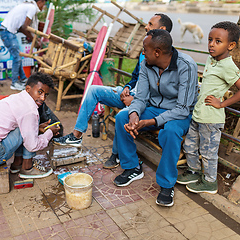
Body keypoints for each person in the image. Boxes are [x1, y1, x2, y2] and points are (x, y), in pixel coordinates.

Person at [52, 13, 173, 168]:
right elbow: (135, 76)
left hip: (144, 103)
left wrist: (135, 102)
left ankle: (116, 155)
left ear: (162, 29)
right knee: (94, 90)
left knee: (124, 115)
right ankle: (76, 135)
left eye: (150, 24)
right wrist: (127, 87)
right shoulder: (146, 48)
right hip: (131, 94)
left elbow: (160, 94)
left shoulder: (164, 56)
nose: (146, 26)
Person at [115, 29, 199, 207]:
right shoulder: (146, 64)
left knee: (170, 131)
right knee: (122, 117)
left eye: (145, 48)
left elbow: (183, 108)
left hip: (179, 113)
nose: (142, 52)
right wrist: (134, 115)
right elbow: (141, 98)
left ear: (157, 52)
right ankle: (132, 167)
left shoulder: (186, 65)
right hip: (154, 108)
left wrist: (151, 122)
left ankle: (166, 184)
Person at [177, 22, 240, 194]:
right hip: (198, 115)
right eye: (210, 40)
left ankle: (209, 182)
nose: (211, 44)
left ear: (231, 45)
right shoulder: (212, 59)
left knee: (208, 153)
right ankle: (193, 172)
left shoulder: (228, 66)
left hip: (211, 119)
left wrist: (222, 104)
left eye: (218, 41)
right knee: (190, 146)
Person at [0, 72, 61, 179]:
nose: (43, 98)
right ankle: (27, 168)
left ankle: (17, 164)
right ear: (28, 89)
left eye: (46, 94)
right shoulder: (29, 110)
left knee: (28, 126)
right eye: (40, 92)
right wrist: (50, 133)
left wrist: (37, 128)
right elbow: (32, 145)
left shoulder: (18, 98)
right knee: (31, 124)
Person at [0, 0, 46, 91]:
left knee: (17, 57)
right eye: (43, 4)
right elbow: (24, 27)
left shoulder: (28, 5)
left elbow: (21, 28)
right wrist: (34, 39)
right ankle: (14, 83)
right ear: (40, 2)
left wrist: (34, 38)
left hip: (7, 32)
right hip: (7, 32)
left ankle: (23, 79)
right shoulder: (32, 7)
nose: (42, 7)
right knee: (17, 57)